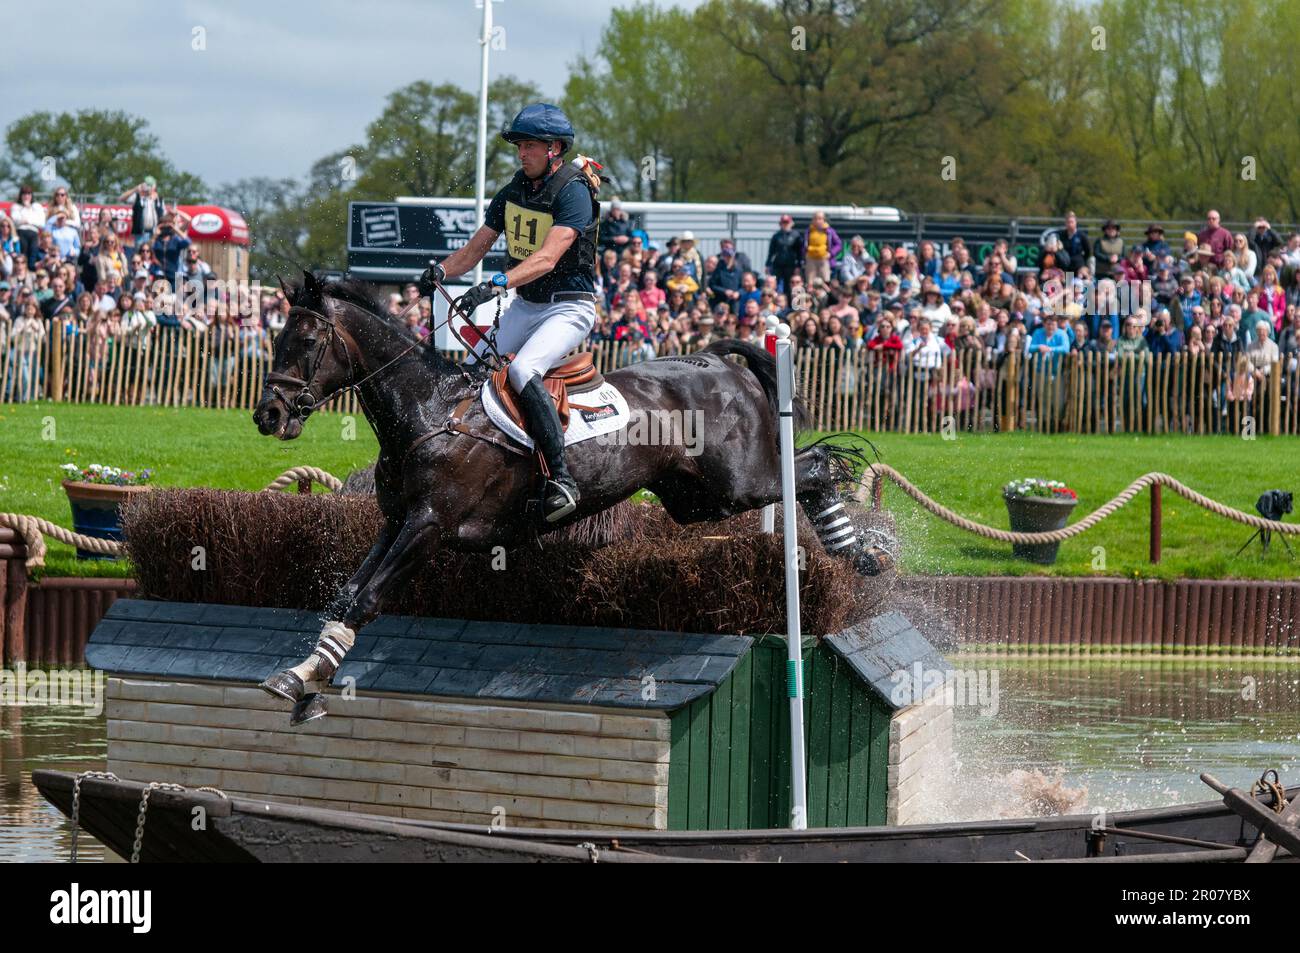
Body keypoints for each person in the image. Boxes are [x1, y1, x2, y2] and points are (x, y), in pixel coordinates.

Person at [417, 103, 599, 523]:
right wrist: (441, 270)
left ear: (555, 148)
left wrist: (494, 284)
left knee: (522, 371)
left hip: (568, 308)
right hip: (527, 305)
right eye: (519, 145)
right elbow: (475, 248)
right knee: (470, 372)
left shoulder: (573, 191)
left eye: (529, 145)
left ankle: (562, 479)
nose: (521, 152)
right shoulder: (514, 191)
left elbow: (549, 258)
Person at [120, 176, 167, 251]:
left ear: (154, 187)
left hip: (155, 234)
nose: (148, 188)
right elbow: (121, 198)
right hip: (140, 234)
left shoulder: (159, 200)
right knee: (139, 253)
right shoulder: (137, 197)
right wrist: (135, 189)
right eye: (146, 185)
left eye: (150, 185)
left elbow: (164, 216)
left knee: (153, 255)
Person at [11, 185, 46, 265]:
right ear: (21, 195)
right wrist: (25, 208)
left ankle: (31, 270)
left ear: (31, 195)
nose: (26, 196)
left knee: (33, 253)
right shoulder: (16, 206)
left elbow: (41, 223)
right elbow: (16, 220)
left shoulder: (37, 206)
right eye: (24, 194)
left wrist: (28, 220)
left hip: (34, 233)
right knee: (23, 254)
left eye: (29, 194)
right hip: (21, 232)